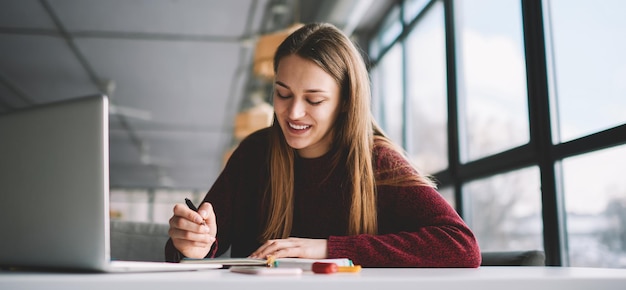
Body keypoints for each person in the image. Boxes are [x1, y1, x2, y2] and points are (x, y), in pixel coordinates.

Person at [165, 23, 481, 267]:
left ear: (345, 102)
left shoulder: (377, 161)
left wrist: (328, 249)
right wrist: (192, 244)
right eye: (283, 94)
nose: (293, 113)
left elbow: (462, 246)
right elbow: (200, 246)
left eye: (314, 100)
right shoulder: (254, 154)